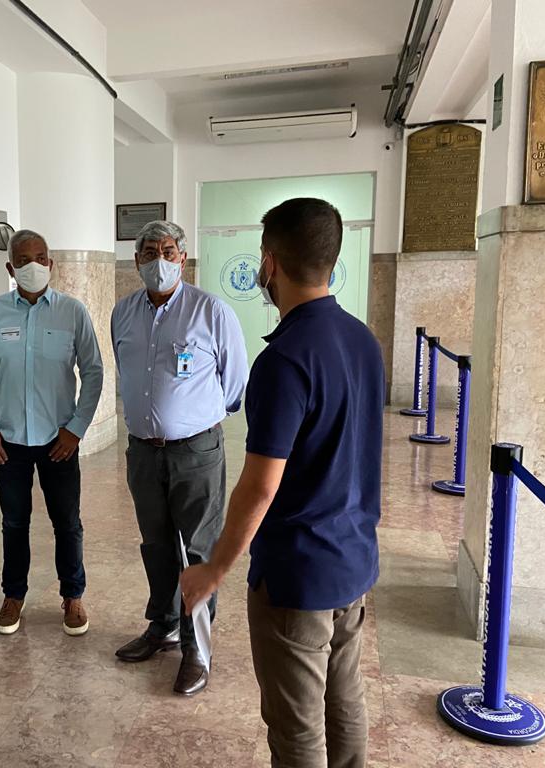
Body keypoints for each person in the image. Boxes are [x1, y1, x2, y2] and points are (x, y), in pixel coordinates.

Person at [181, 198, 384, 767]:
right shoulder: (362, 340)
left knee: (296, 729)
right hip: (353, 559)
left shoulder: (284, 360)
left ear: (268, 263)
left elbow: (260, 486)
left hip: (298, 577)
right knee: (345, 699)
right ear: (332, 260)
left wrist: (214, 569)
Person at [111, 219, 248, 696]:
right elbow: (126, 372)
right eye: (149, 253)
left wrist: (192, 419)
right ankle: (164, 625)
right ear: (136, 261)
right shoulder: (123, 312)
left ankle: (197, 649)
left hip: (196, 451)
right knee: (156, 544)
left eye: (167, 252)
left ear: (183, 258)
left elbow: (235, 384)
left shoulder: (211, 311)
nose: (159, 261)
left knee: (199, 549)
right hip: (142, 451)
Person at [0, 229, 104, 636]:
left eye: (40, 258)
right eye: (23, 260)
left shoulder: (72, 312)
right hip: (6, 441)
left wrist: (76, 428)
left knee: (67, 522)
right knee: (14, 522)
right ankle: (13, 595)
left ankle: (73, 595)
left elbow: (93, 371)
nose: (33, 266)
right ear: (10, 268)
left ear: (51, 263)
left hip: (58, 440)